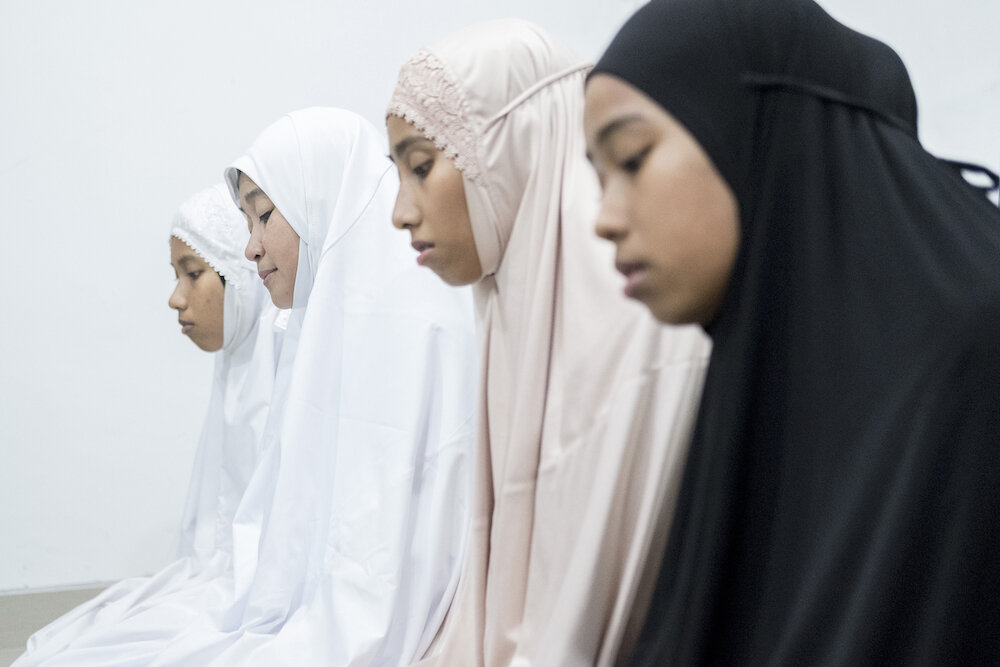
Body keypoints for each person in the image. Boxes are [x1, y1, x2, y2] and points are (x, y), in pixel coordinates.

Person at [584, 0, 1000, 663]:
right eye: (597, 174)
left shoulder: (969, 361)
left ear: (757, 127)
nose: (603, 217)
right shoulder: (770, 357)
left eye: (631, 159)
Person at [386, 20, 710, 665]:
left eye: (422, 166)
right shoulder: (513, 302)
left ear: (515, 146)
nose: (402, 210)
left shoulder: (637, 331)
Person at [147, 107, 477, 666]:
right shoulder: (314, 329)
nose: (251, 249)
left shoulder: (420, 329)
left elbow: (395, 565)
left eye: (263, 216)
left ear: (319, 202)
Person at [16, 184, 278, 665]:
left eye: (193, 273)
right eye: (176, 275)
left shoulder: (283, 372)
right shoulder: (239, 366)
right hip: (216, 576)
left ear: (241, 275)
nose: (176, 299)